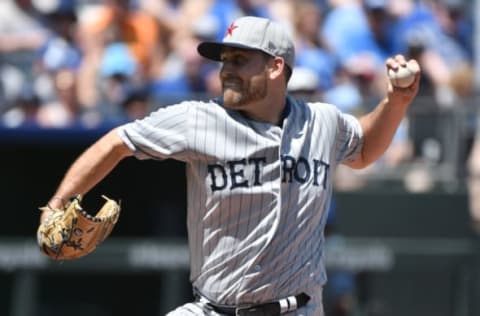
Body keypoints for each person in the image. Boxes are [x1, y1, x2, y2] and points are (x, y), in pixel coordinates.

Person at [39, 16, 420, 316]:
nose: (225, 71)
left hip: (298, 310)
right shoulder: (197, 119)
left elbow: (366, 149)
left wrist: (397, 102)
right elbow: (116, 142)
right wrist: (58, 203)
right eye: (224, 61)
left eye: (239, 60)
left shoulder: (322, 121)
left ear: (275, 67)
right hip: (213, 309)